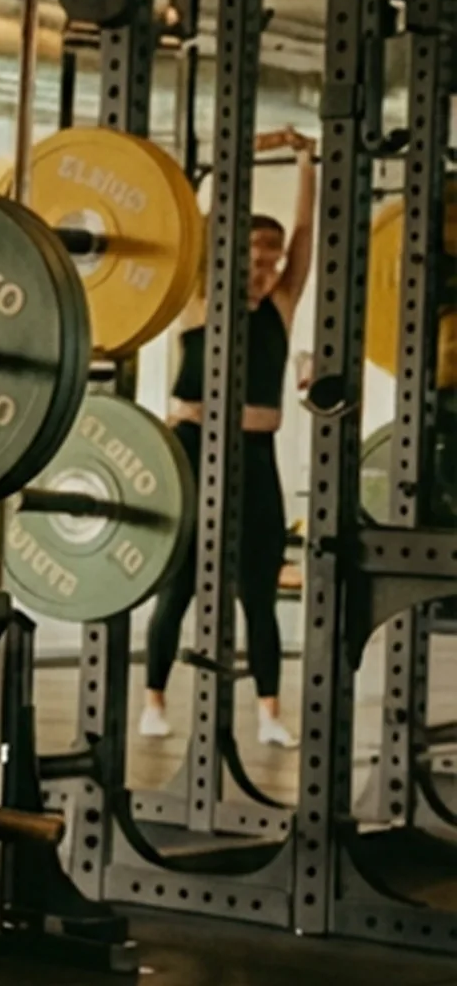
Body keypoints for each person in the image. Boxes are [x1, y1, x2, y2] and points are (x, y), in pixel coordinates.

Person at [142, 131, 314, 752]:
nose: (267, 271)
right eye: (255, 259)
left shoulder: (283, 305)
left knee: (259, 591)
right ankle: (154, 701)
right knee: (178, 585)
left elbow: (304, 236)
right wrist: (224, 162)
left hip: (256, 461)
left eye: (272, 263)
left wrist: (304, 161)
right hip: (190, 455)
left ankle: (270, 713)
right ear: (232, 255)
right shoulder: (197, 301)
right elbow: (199, 227)